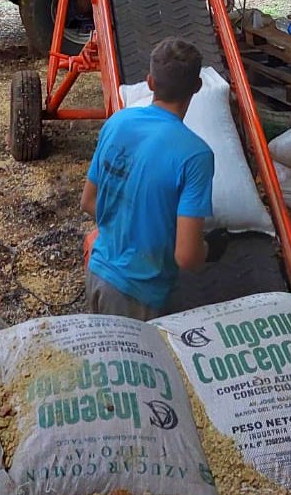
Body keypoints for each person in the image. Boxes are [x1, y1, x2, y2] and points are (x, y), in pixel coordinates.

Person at [80, 37, 213, 321]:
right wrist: (208, 248)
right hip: (138, 295)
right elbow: (186, 257)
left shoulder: (117, 122)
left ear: (150, 82)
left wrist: (127, 228)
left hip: (97, 274)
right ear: (198, 87)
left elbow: (89, 201)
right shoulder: (195, 155)